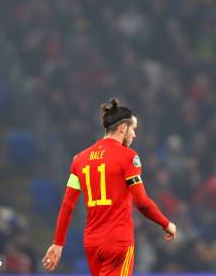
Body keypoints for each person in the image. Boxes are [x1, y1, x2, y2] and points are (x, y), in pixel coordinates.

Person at [42, 98, 177, 275]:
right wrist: (166, 223)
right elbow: (142, 202)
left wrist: (58, 243)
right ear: (123, 127)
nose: (134, 135)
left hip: (92, 244)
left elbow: (67, 205)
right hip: (118, 243)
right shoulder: (128, 157)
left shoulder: (79, 160)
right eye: (133, 129)